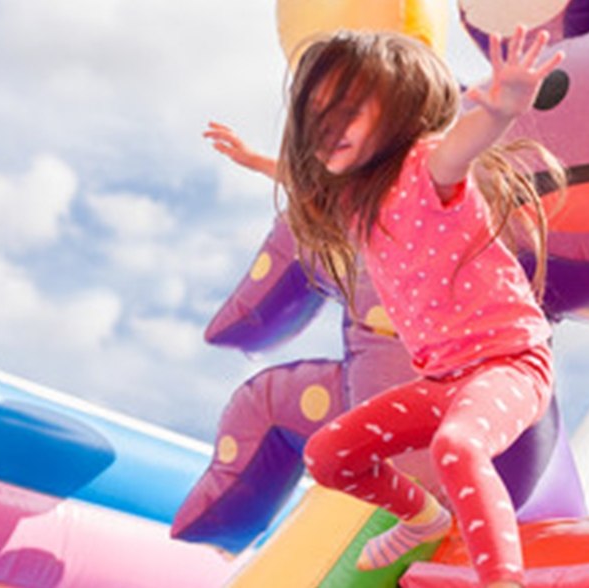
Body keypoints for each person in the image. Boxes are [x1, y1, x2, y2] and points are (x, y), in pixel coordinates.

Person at [206, 26, 565, 588]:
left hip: (509, 362)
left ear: (400, 108)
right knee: (329, 454)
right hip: (442, 378)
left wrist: (500, 111)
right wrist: (255, 160)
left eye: (348, 109)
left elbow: (459, 149)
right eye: (316, 116)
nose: (329, 128)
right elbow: (300, 181)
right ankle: (423, 519)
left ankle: (502, 579)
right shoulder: (353, 201)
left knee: (458, 445)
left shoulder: (426, 168)